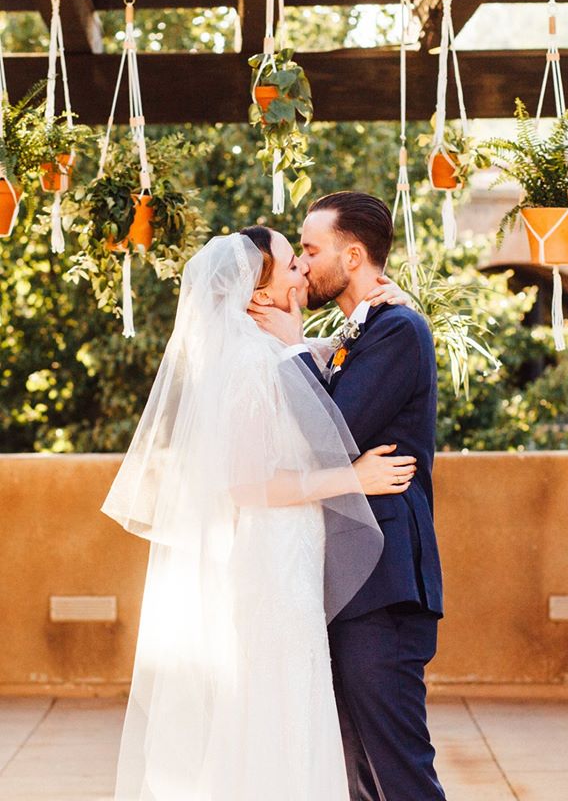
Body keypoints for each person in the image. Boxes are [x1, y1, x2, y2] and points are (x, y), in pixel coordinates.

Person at [101, 228, 415, 801]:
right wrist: (353, 477)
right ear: (260, 292)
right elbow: (247, 483)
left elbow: (325, 368)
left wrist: (377, 307)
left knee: (290, 707)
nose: (303, 275)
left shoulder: (270, 350)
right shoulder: (247, 364)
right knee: (273, 712)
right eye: (293, 266)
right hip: (269, 560)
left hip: (289, 555)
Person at [249, 192, 446, 801]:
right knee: (363, 776)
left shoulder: (398, 330)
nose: (302, 265)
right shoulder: (357, 331)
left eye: (310, 250)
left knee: (399, 771)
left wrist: (287, 346)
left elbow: (330, 435)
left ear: (353, 254)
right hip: (349, 586)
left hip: (384, 587)